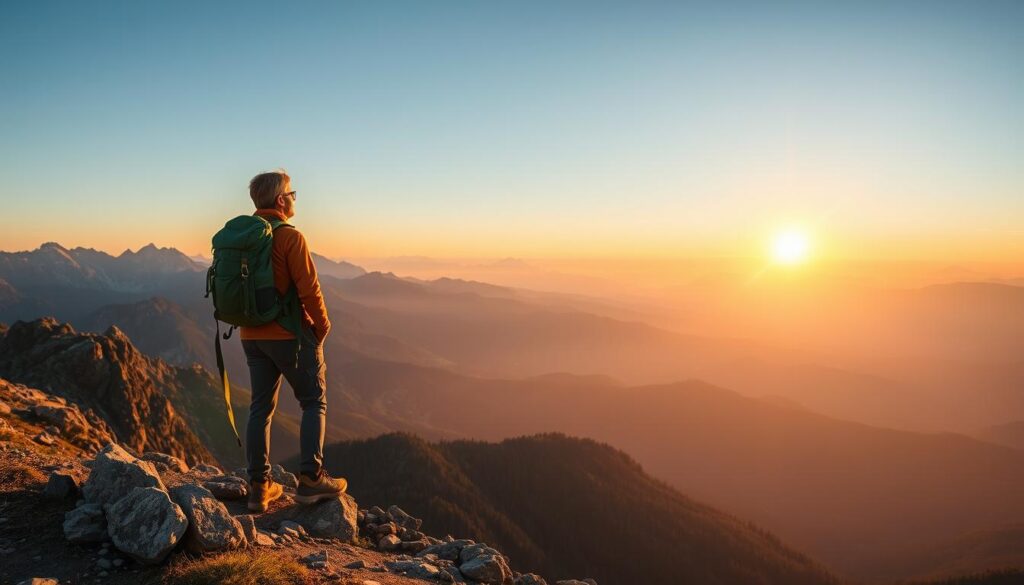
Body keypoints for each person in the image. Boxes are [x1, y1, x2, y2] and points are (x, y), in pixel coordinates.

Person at [239, 170, 347, 512]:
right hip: (289, 335)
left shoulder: (243, 237)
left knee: (260, 408)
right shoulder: (290, 237)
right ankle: (311, 479)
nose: (294, 199)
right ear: (281, 200)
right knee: (313, 402)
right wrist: (322, 326)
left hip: (250, 335)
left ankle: (258, 488)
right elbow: (309, 289)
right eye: (292, 193)